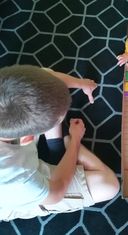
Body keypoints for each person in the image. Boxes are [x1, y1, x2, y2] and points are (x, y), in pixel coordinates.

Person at [0, 65, 120, 221]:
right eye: (60, 120)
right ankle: (62, 144)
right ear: (27, 139)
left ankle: (57, 147)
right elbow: (58, 189)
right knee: (110, 185)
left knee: (44, 81)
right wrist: (74, 141)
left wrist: (82, 83)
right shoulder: (20, 182)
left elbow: (46, 77)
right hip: (18, 197)